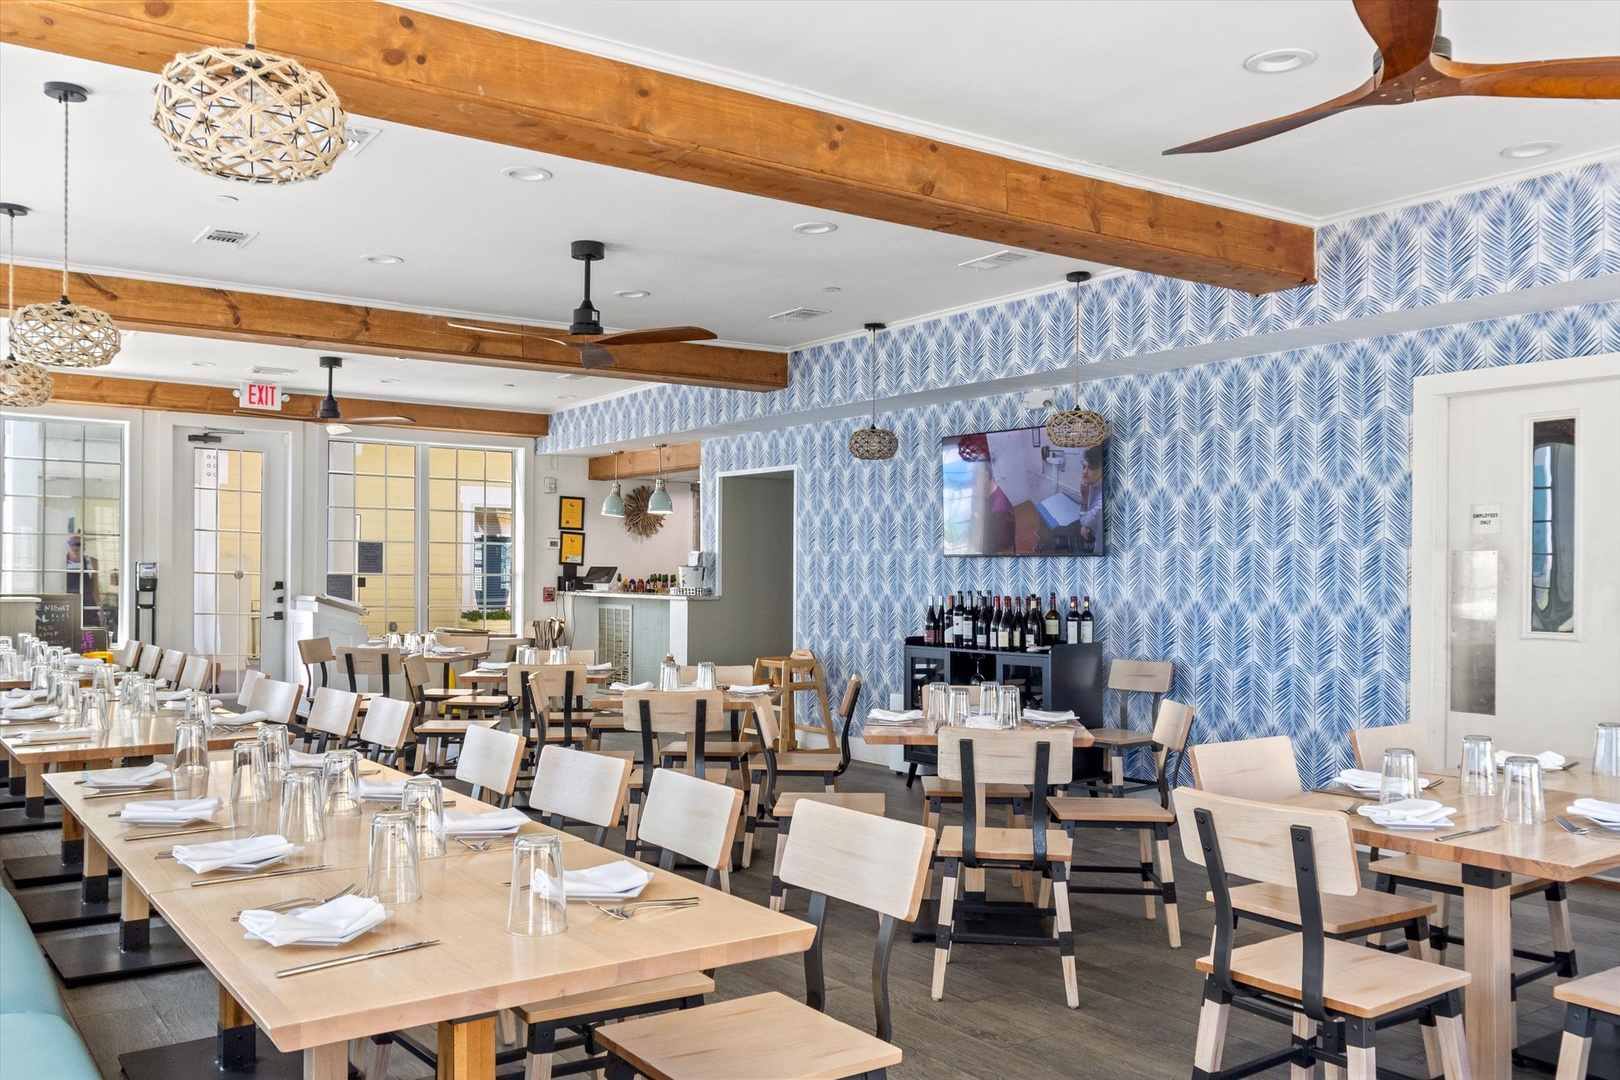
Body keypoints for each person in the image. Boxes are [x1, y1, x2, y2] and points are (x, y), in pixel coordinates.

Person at [64, 534, 102, 628]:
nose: (75, 547)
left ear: (84, 546)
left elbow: (95, 587)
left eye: (78, 544)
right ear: (67, 545)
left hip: (88, 606)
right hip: (67, 606)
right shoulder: (61, 562)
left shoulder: (91, 562)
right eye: (71, 544)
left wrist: (100, 609)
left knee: (89, 637)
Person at [1075, 446, 1104, 553]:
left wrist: (1084, 496)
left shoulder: (1102, 498)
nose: (1085, 472)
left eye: (1091, 467)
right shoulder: (1092, 482)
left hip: (1097, 539)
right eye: (1084, 466)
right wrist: (1085, 525)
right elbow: (1086, 518)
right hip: (1090, 528)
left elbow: (1084, 520)